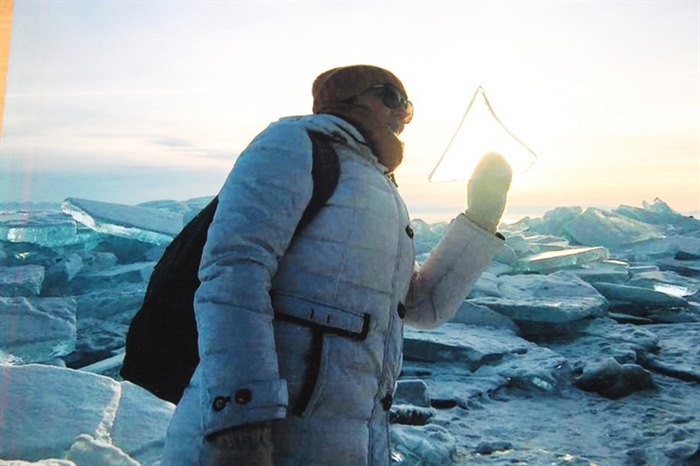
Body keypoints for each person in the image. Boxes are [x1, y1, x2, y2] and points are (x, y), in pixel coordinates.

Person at [161, 65, 512, 466]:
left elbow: (420, 305)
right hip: (257, 441)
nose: (403, 114)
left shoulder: (380, 186)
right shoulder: (292, 143)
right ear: (345, 96)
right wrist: (241, 422)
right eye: (392, 97)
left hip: (349, 441)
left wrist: (482, 216)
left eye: (409, 107)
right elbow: (235, 271)